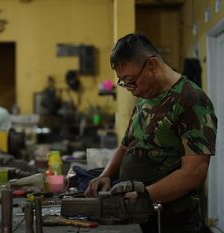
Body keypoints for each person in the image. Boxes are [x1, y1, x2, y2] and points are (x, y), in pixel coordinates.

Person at [84, 33, 217, 233]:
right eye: (123, 82)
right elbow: (126, 144)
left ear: (152, 66)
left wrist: (146, 194)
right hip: (138, 211)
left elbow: (194, 173)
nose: (129, 89)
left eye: (130, 80)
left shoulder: (191, 100)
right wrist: (106, 175)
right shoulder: (145, 96)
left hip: (171, 218)